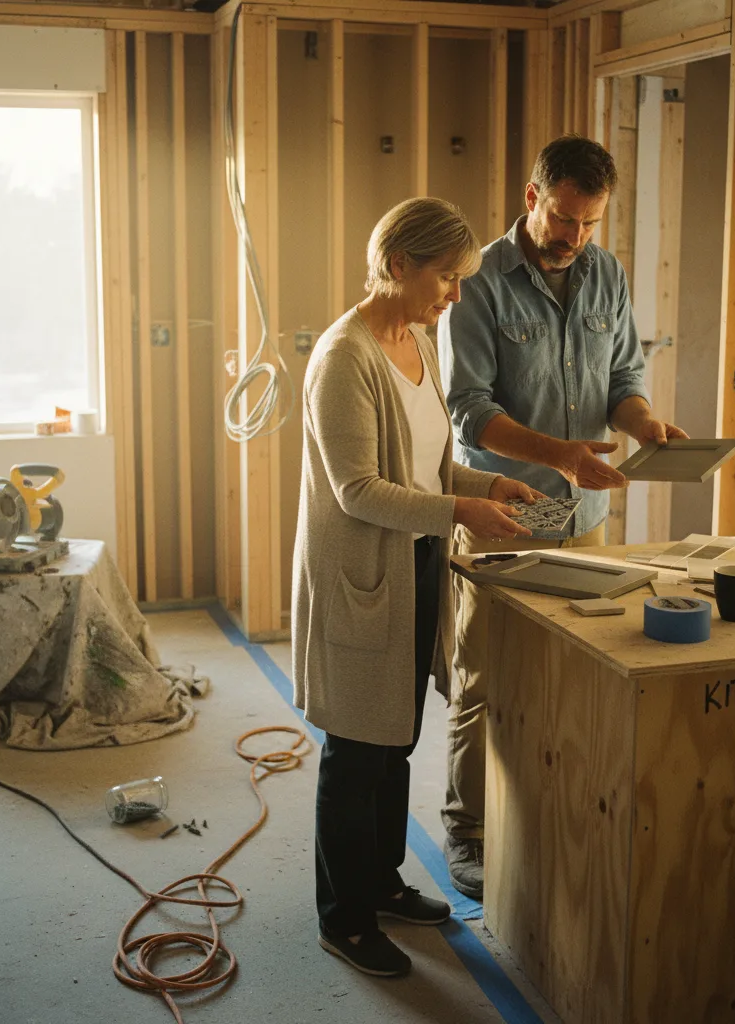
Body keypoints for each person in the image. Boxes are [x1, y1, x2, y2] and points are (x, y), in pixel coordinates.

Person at [291, 197, 544, 978]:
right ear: (399, 263)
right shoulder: (346, 356)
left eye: (461, 280)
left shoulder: (418, 343)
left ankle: (381, 879)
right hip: (363, 578)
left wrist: (485, 484)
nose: (455, 296)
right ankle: (344, 916)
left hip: (415, 568)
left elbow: (426, 463)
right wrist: (459, 507)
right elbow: (359, 491)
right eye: (446, 277)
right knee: (355, 748)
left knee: (395, 738)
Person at [437, 134, 688, 901]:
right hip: (501, 516)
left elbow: (623, 378)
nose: (572, 238)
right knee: (485, 675)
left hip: (586, 519)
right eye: (562, 218)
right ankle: (467, 826)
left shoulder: (606, 274)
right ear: (531, 197)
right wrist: (559, 456)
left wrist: (643, 424)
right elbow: (469, 411)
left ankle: (544, 806)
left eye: (588, 224)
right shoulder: (477, 282)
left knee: (576, 674)